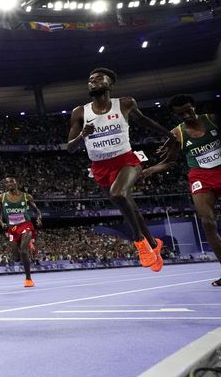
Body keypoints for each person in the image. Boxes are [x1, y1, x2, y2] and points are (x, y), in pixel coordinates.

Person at [66, 67, 177, 273]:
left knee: (118, 193)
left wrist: (170, 135)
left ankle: (139, 242)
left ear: (110, 84)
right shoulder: (80, 112)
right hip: (100, 167)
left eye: (99, 79)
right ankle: (154, 245)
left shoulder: (125, 103)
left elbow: (145, 121)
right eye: (90, 80)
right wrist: (82, 135)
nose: (93, 82)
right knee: (130, 209)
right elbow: (69, 148)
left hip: (126, 160)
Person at [142, 94, 220, 285]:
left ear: (194, 107)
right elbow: (169, 163)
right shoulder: (176, 134)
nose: (186, 115)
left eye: (188, 110)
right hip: (201, 176)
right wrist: (149, 170)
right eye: (180, 114)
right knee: (207, 221)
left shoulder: (213, 119)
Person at [0, 177, 42, 287]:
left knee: (23, 251)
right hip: (12, 228)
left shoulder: (26, 196)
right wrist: (2, 223)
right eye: (7, 182)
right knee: (16, 257)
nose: (9, 183)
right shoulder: (1, 197)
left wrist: (39, 218)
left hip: (25, 225)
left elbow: (37, 211)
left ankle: (28, 279)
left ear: (17, 183)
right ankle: (29, 244)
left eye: (12, 181)